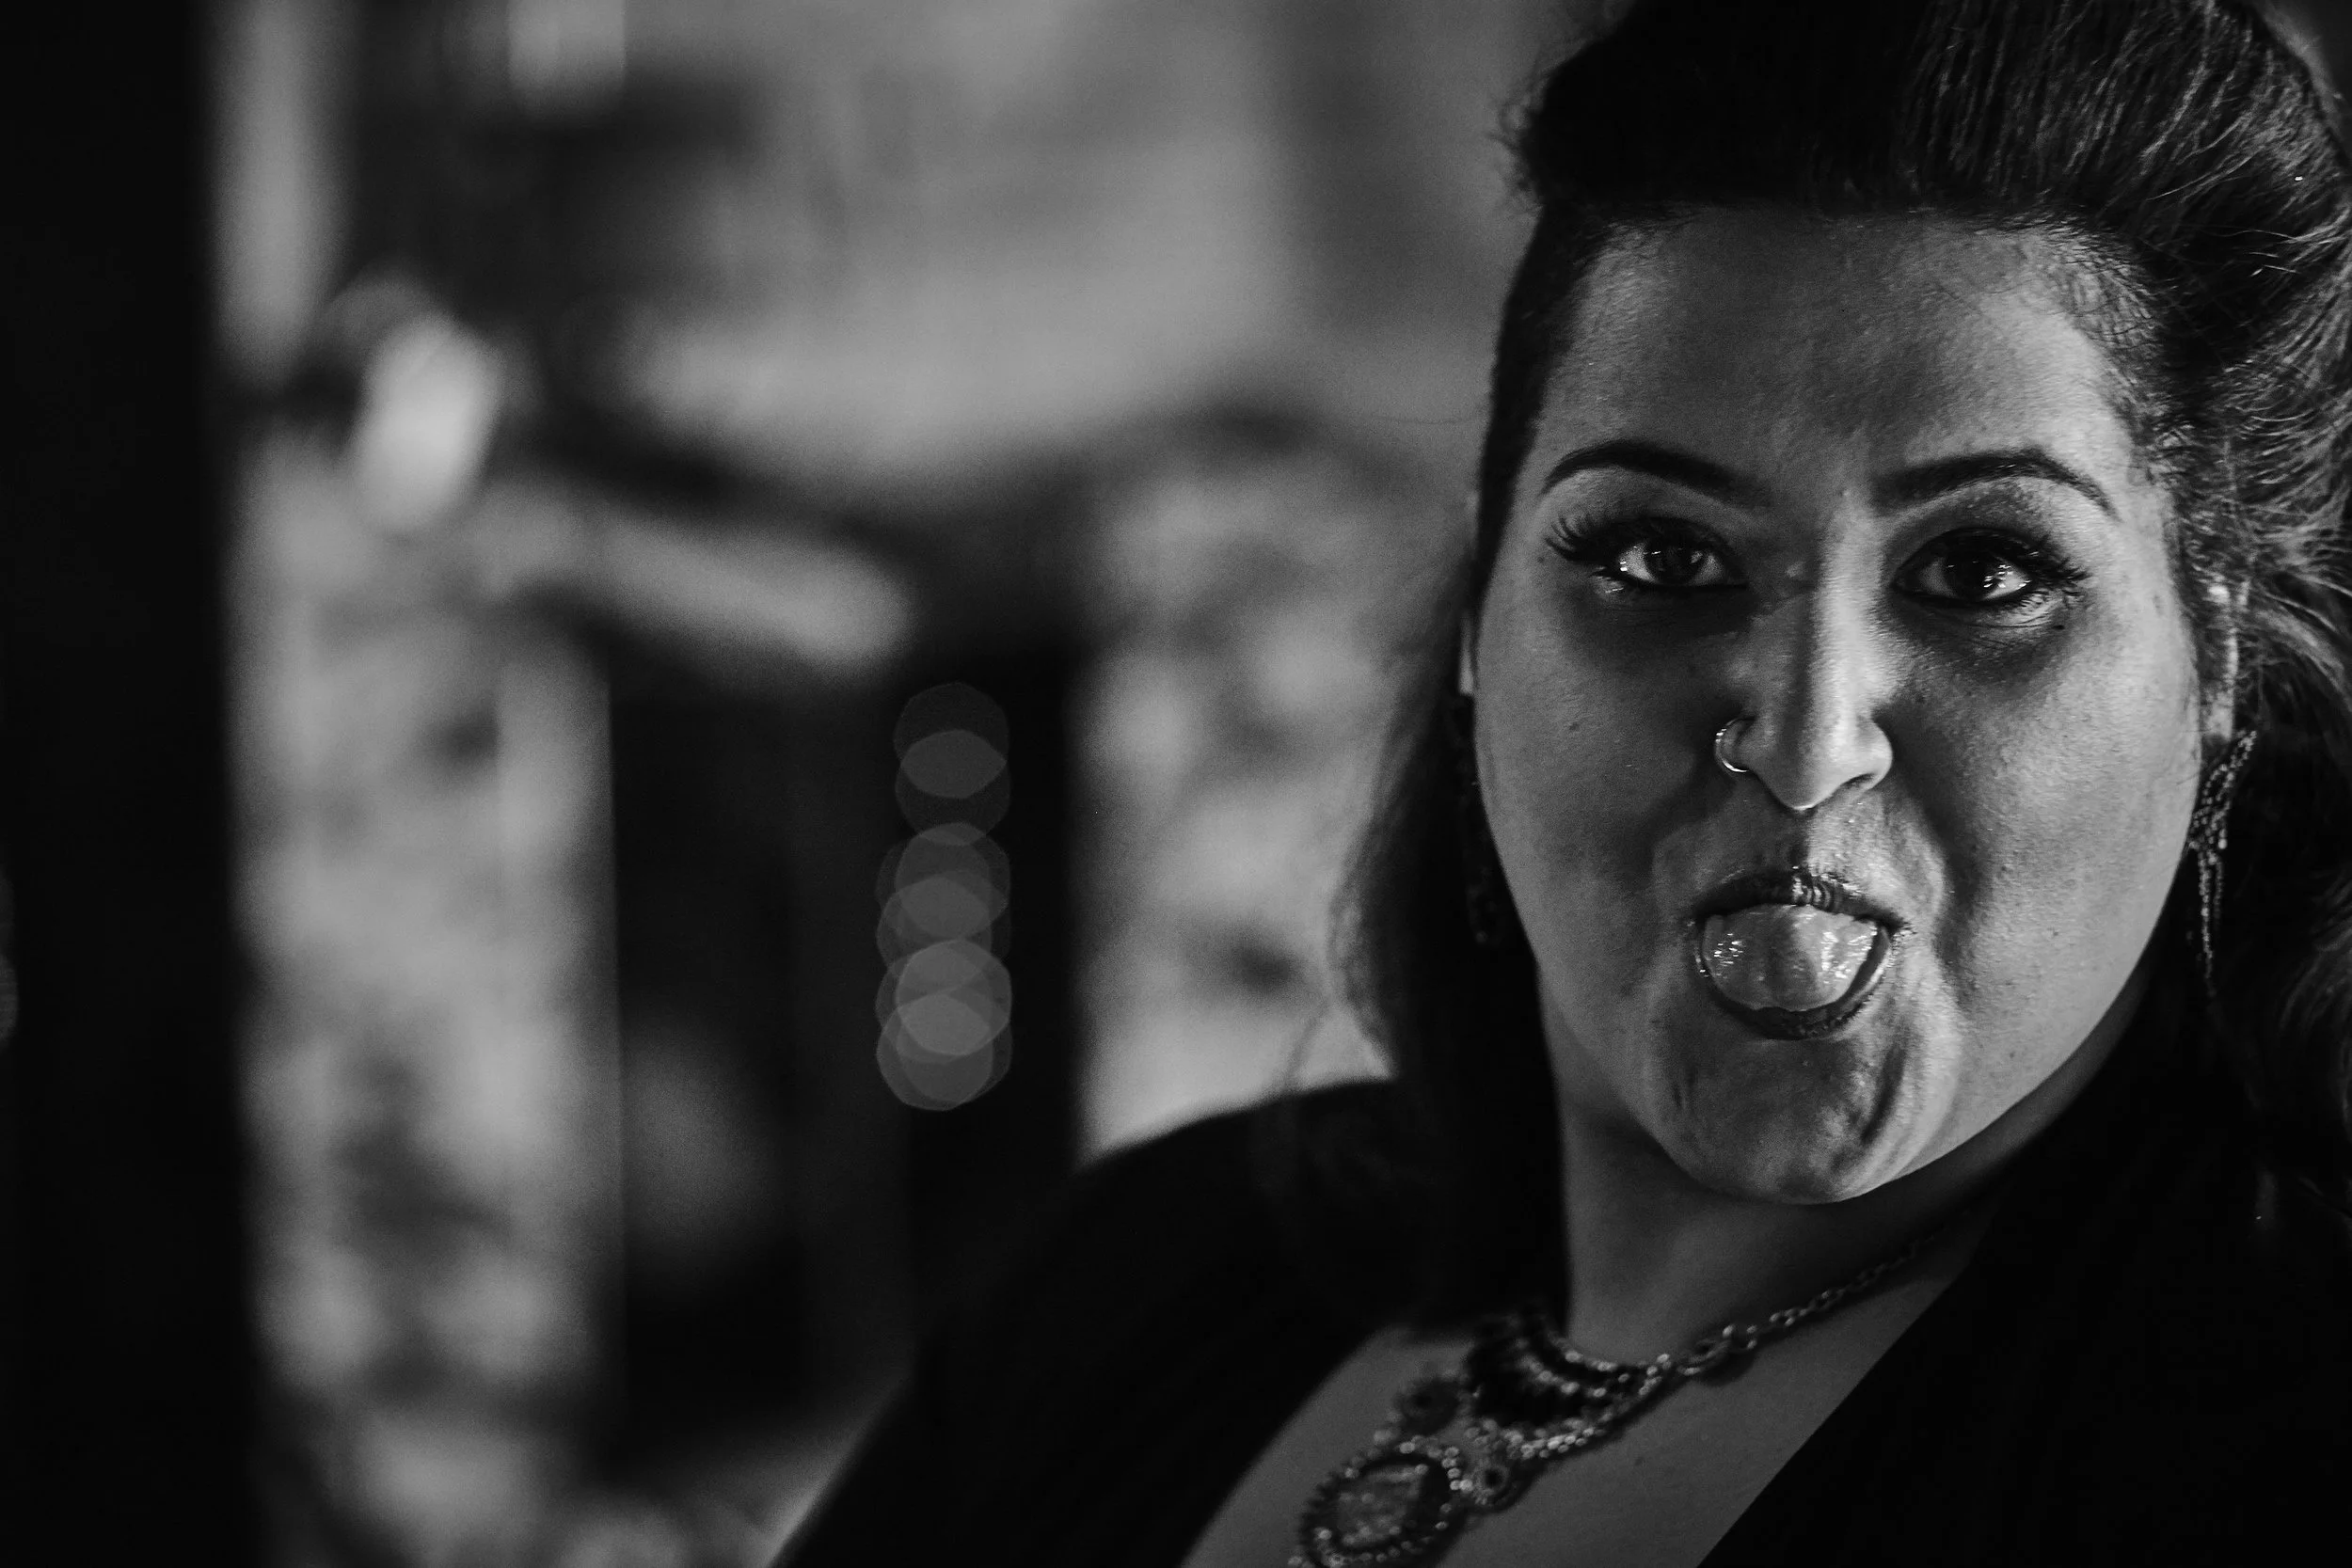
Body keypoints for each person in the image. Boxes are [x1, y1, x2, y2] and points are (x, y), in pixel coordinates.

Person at [781, 0, 2352, 1562]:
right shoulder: (1144, 1274)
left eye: (1984, 571)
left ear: (2216, 663)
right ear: (1479, 617)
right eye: (1663, 557)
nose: (1805, 741)